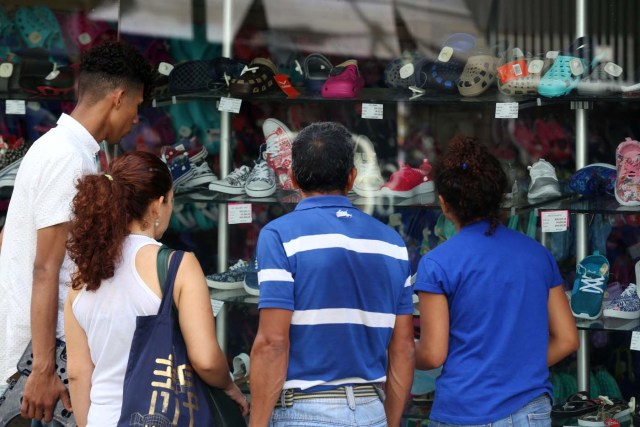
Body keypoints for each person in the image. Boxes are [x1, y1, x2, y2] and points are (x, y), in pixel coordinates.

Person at [0, 40, 154, 425]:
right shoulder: (67, 157)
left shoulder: (65, 149)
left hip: (46, 357)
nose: (136, 120)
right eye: (136, 106)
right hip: (40, 369)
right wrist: (42, 369)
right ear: (118, 98)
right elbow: (45, 267)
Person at [63, 151, 249, 427]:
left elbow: (78, 374)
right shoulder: (177, 265)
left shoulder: (82, 276)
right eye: (171, 201)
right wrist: (230, 387)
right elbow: (206, 359)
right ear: (157, 205)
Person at [249, 122, 415, 427]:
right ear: (351, 178)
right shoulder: (391, 242)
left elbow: (272, 343)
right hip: (371, 410)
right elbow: (403, 348)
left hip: (304, 412)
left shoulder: (280, 236)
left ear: (293, 178)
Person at [414, 135, 579, 426]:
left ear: (443, 203)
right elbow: (567, 339)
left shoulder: (437, 263)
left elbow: (433, 354)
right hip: (529, 408)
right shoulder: (537, 255)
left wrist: (399, 352)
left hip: (464, 409)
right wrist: (520, 370)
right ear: (497, 196)